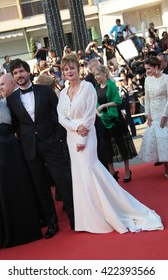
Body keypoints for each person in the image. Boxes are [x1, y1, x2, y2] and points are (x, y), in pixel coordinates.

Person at [57, 53, 163, 234]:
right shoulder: (63, 94)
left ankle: (105, 213)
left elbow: (90, 115)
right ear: (62, 72)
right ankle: (87, 219)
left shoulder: (88, 87)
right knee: (80, 176)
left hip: (87, 137)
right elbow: (61, 117)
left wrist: (82, 138)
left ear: (78, 69)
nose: (70, 71)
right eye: (66, 69)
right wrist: (75, 128)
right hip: (71, 136)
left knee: (91, 171)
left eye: (72, 68)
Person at [6, 58, 74, 239]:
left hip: (51, 143)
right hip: (30, 149)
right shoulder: (11, 100)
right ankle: (52, 222)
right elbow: (15, 125)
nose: (19, 75)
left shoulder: (45, 91)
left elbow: (59, 115)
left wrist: (59, 138)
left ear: (28, 72)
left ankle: (75, 218)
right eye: (15, 73)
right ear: (13, 77)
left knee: (63, 181)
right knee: (41, 187)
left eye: (21, 71)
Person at [0, 93, 42, 250]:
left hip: (14, 150)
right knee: (3, 189)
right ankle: (8, 231)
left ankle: (27, 228)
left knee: (19, 186)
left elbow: (18, 122)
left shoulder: (5, 104)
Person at [94, 65, 137, 182]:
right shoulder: (96, 87)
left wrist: (105, 105)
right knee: (106, 147)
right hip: (103, 120)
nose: (96, 77)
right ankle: (112, 172)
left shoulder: (111, 85)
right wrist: (99, 112)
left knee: (121, 144)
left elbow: (117, 101)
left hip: (115, 119)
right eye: (95, 75)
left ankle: (127, 170)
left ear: (104, 74)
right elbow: (95, 103)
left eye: (98, 75)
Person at [138, 57, 168, 178]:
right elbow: (148, 97)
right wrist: (147, 114)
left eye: (149, 69)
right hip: (154, 115)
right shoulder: (147, 80)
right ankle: (166, 168)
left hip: (165, 112)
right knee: (160, 142)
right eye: (146, 69)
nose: (147, 72)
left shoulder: (166, 79)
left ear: (156, 67)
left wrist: (165, 116)